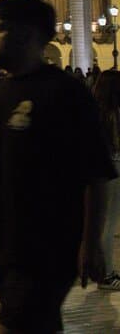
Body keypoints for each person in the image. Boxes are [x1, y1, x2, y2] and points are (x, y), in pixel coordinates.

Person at [0, 0, 117, 333]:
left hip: (50, 244)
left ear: (28, 34)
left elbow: (96, 172)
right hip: (6, 244)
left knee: (17, 324)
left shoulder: (67, 94)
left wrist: (90, 244)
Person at [93, 70, 120, 290]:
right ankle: (107, 274)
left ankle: (102, 270)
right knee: (109, 223)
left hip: (98, 170)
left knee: (101, 222)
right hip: (114, 166)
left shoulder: (94, 112)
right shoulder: (115, 114)